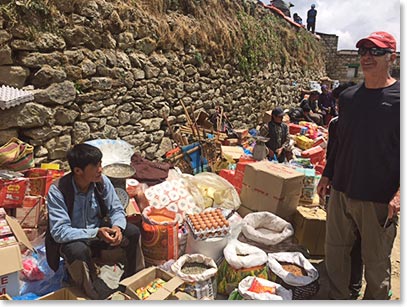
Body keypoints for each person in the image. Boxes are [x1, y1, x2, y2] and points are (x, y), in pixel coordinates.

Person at [317, 31, 400, 300]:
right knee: (335, 256)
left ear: (392, 58)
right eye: (363, 51)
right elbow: (340, 143)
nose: (367, 56)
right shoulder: (350, 98)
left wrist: (399, 194)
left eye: (375, 51)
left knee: (376, 265)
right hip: (341, 192)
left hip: (377, 199)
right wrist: (327, 175)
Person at [46, 143, 143, 299]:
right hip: (76, 238)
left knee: (132, 232)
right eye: (95, 166)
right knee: (76, 251)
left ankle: (133, 277)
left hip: (99, 234)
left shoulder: (102, 182)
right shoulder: (58, 191)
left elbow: (116, 209)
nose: (100, 169)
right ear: (78, 171)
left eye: (100, 164)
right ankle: (92, 291)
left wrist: (117, 227)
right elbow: (59, 232)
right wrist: (95, 232)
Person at [327, 81, 362, 299]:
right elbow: (331, 154)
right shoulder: (335, 124)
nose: (340, 107)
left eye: (343, 103)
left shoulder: (368, 124)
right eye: (338, 103)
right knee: (339, 240)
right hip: (339, 187)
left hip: (361, 191)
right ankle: (338, 285)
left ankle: (354, 284)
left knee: (358, 240)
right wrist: (327, 178)